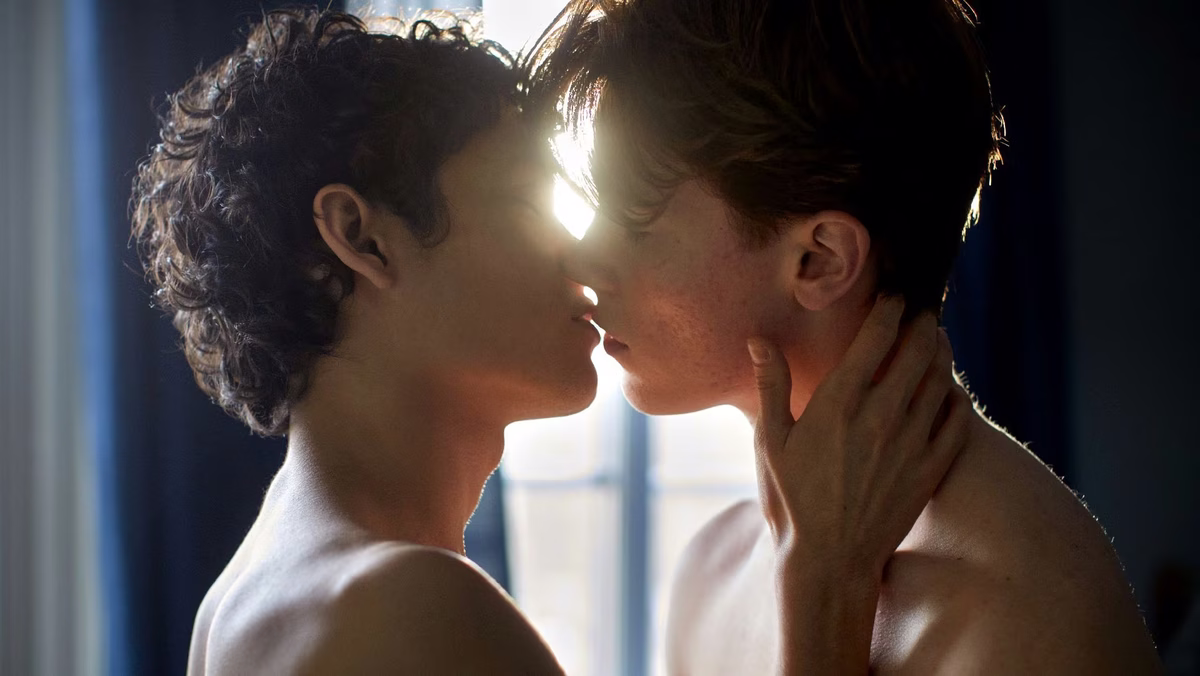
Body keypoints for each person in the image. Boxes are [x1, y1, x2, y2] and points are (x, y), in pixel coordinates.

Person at [130, 8, 968, 674]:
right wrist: (826, 587)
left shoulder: (244, 597)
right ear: (364, 238)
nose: (585, 255)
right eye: (530, 204)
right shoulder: (408, 606)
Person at [529, 0, 1164, 673]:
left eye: (633, 221)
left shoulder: (1025, 621)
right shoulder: (710, 571)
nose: (582, 260)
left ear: (820, 260)